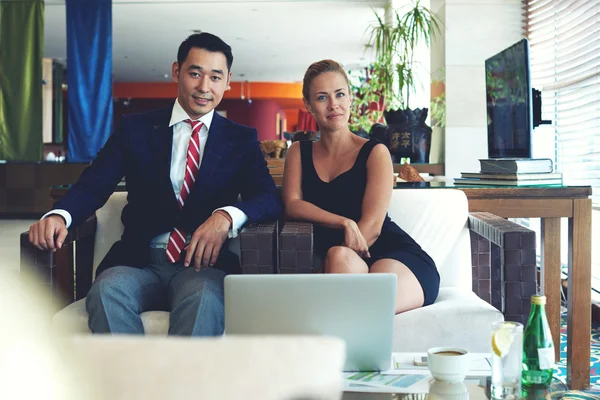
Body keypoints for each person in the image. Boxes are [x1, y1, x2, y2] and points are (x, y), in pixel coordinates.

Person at [28, 33, 282, 335]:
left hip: (202, 266)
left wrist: (225, 216)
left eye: (215, 77)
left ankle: (180, 383)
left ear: (227, 81)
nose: (204, 87)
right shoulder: (135, 129)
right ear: (177, 71)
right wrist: (60, 215)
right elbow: (93, 185)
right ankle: (130, 382)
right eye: (195, 73)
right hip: (137, 261)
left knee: (204, 299)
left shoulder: (240, 139)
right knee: (107, 292)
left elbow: (267, 198)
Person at [281, 59, 439, 314]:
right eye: (322, 98)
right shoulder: (299, 152)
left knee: (347, 271)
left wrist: (350, 246)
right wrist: (344, 222)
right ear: (308, 105)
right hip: (341, 258)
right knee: (337, 257)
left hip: (392, 254)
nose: (334, 105)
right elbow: (292, 205)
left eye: (340, 94)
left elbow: (374, 227)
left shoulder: (375, 152)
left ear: (351, 97)